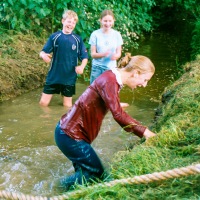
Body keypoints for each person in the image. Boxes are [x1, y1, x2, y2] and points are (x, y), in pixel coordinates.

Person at [54, 55, 156, 190]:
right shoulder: (110, 81)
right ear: (136, 73)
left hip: (70, 133)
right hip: (70, 136)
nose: (144, 85)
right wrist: (145, 132)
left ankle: (68, 192)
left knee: (85, 175)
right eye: (145, 80)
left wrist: (116, 103)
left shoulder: (112, 78)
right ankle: (57, 189)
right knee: (95, 173)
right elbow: (118, 115)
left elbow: (101, 97)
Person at [39, 10, 88, 108]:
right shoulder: (55, 37)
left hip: (69, 77)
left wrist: (82, 67)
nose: (71, 24)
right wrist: (43, 55)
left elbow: (85, 57)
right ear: (63, 21)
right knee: (43, 104)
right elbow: (43, 51)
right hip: (54, 76)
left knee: (67, 106)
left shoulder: (77, 39)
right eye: (69, 21)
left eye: (73, 23)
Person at [89, 10, 123, 84]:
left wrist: (115, 56)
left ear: (113, 21)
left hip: (111, 69)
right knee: (94, 93)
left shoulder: (117, 35)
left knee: (108, 94)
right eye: (105, 21)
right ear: (101, 20)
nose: (108, 23)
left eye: (110, 21)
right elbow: (93, 54)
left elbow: (119, 53)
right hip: (97, 68)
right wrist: (104, 54)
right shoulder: (95, 34)